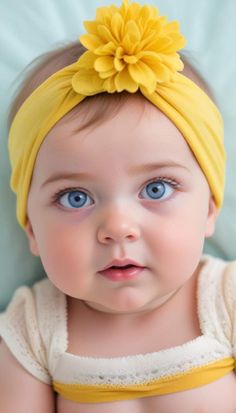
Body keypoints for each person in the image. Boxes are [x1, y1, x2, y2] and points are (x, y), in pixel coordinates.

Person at [0, 0, 236, 412]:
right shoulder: (33, 329)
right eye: (76, 197)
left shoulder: (225, 300)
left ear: (210, 208)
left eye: (157, 189)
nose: (118, 226)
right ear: (32, 229)